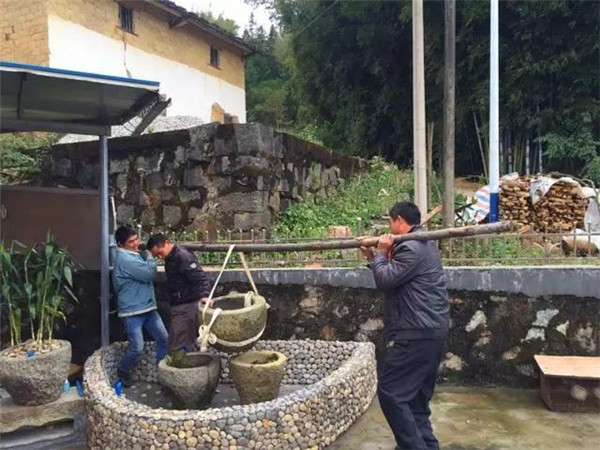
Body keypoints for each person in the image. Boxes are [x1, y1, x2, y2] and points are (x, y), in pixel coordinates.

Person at [360, 202, 450, 450]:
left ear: (399, 220)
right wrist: (373, 257)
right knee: (415, 399)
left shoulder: (411, 246)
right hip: (430, 329)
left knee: (391, 392)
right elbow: (396, 274)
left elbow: (386, 279)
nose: (389, 227)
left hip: (417, 332)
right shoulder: (424, 243)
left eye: (391, 222)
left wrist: (381, 253)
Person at [113, 226, 168, 387]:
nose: (136, 243)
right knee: (137, 347)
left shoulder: (132, 255)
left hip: (147, 307)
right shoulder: (125, 259)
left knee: (164, 338)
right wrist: (150, 256)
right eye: (131, 242)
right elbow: (148, 274)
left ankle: (163, 372)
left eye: (136, 239)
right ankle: (123, 370)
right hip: (132, 311)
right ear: (120, 244)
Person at [146, 234, 212, 353]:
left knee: (176, 344)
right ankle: (192, 361)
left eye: (160, 253)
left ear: (167, 243)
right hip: (180, 303)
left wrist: (204, 295)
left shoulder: (183, 257)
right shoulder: (171, 257)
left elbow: (199, 277)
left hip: (186, 305)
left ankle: (180, 363)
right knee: (186, 341)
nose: (160, 257)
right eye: (156, 256)